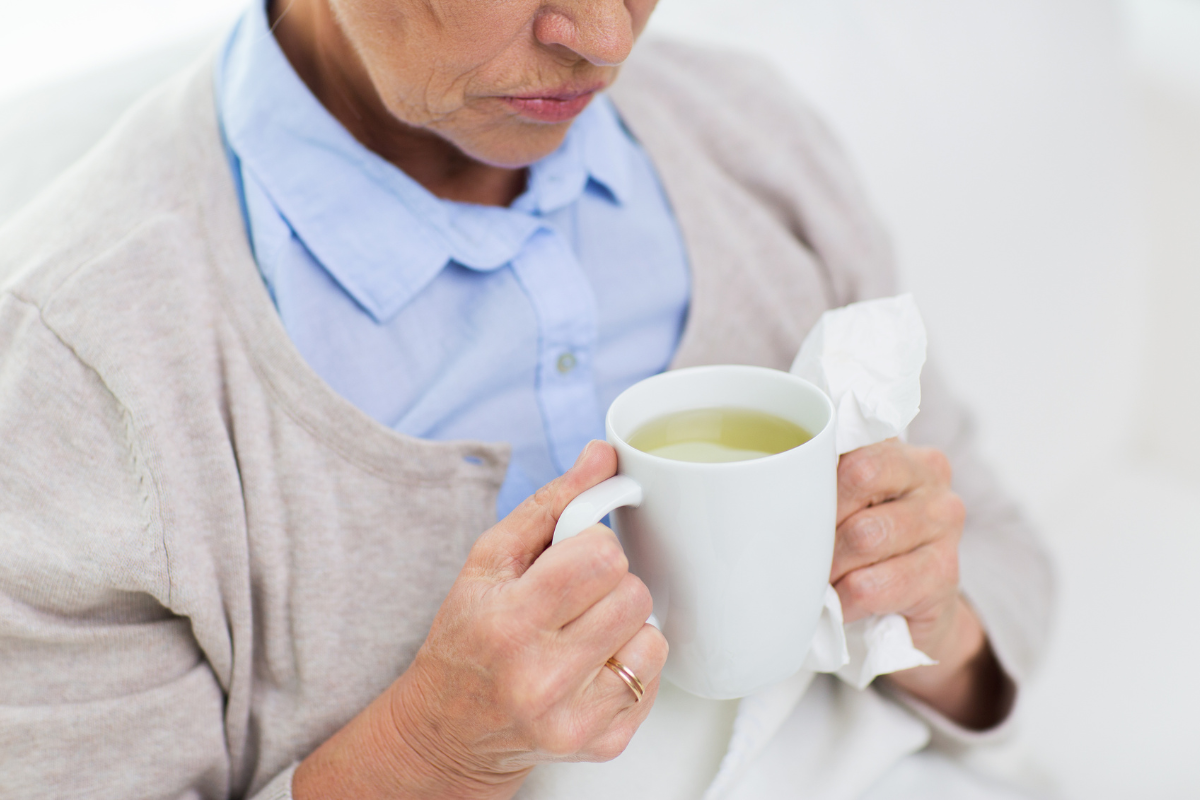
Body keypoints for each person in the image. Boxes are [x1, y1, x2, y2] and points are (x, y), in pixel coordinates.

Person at [0, 0, 1051, 798]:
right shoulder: (81, 366)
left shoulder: (752, 140)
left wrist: (926, 618)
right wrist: (421, 751)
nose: (601, 35)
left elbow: (1001, 559)